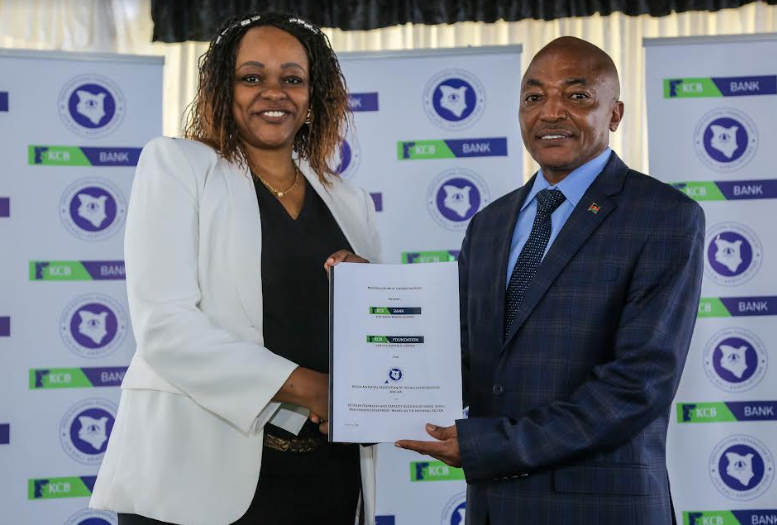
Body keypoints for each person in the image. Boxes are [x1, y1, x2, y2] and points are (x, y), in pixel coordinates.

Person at [395, 37, 705, 525]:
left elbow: (637, 385)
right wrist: (366, 310)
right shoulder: (490, 223)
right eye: (534, 97)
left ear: (616, 114)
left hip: (601, 507)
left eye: (577, 96)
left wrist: (492, 445)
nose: (551, 112)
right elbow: (457, 352)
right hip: (496, 507)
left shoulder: (664, 216)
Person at [89, 12, 381, 525]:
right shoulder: (177, 166)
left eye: (292, 79)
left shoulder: (348, 201)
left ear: (314, 97)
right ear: (224, 90)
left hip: (327, 479)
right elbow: (166, 327)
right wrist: (312, 387)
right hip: (194, 477)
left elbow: (373, 333)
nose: (275, 93)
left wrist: (371, 295)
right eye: (252, 78)